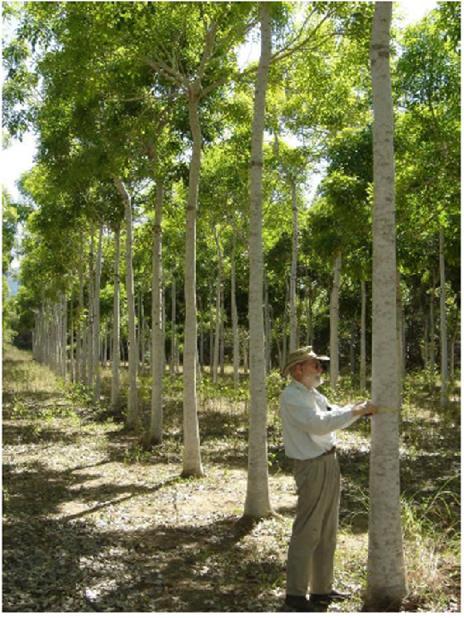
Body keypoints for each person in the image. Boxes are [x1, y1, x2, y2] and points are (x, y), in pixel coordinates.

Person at [280, 346, 377, 612]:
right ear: (298, 368)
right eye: (315, 365)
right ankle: (295, 596)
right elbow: (320, 423)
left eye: (320, 365)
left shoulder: (312, 394)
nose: (320, 369)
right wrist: (355, 411)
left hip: (328, 462)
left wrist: (356, 410)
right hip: (311, 467)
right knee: (308, 529)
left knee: (327, 529)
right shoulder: (292, 397)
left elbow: (331, 414)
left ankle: (321, 590)